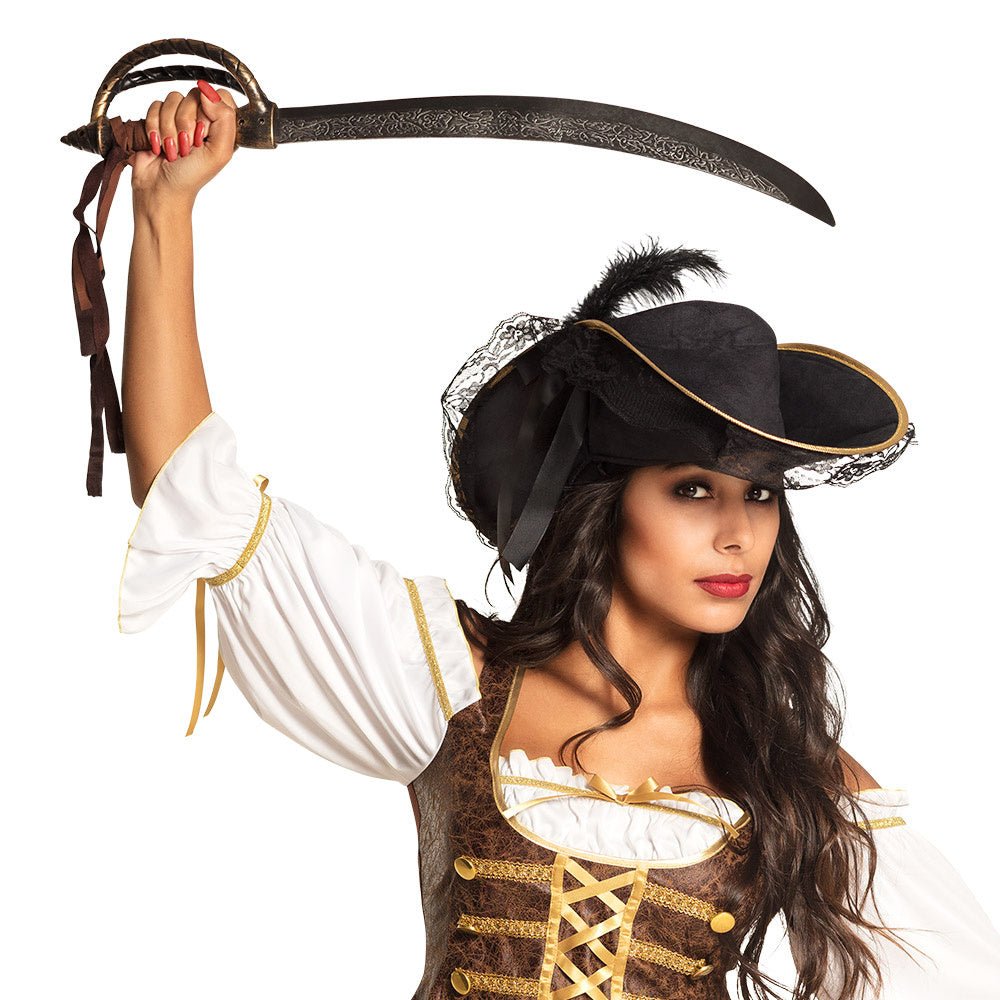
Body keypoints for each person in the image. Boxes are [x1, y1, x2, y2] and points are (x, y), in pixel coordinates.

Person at [117, 82, 1000, 1000]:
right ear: (605, 503)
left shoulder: (791, 771)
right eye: (692, 489)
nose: (740, 534)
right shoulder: (451, 682)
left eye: (762, 496)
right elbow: (196, 495)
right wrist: (163, 212)